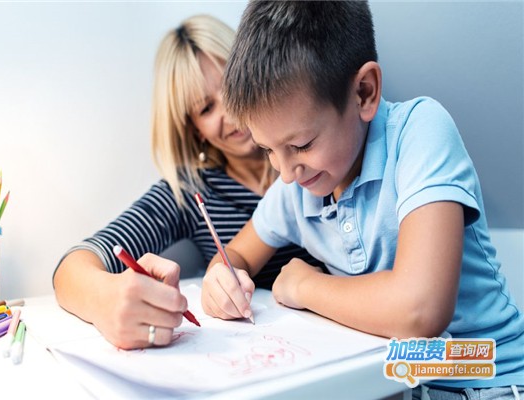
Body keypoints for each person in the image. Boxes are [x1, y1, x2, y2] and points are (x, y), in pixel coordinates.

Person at [200, 1, 524, 398]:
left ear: (364, 92)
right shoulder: (297, 185)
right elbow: (235, 255)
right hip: (394, 384)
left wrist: (304, 286)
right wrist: (221, 278)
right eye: (268, 149)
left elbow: (419, 311)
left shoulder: (420, 131)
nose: (284, 173)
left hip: (488, 379)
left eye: (301, 144)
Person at [52, 14, 321, 350]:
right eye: (206, 108)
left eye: (232, 86)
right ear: (194, 128)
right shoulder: (188, 191)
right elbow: (72, 267)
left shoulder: (320, 152)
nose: (230, 112)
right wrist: (105, 300)